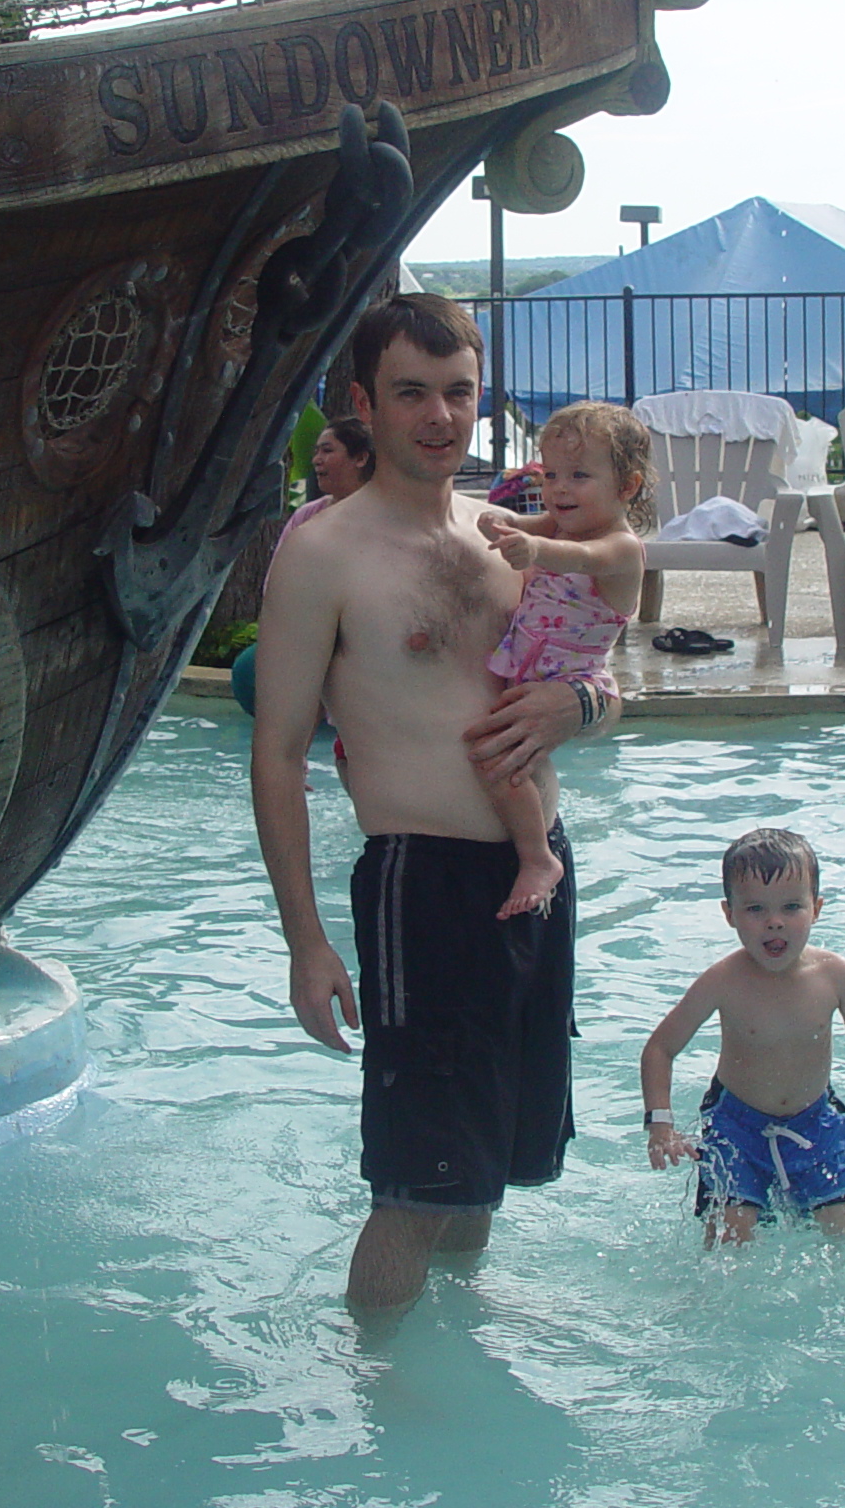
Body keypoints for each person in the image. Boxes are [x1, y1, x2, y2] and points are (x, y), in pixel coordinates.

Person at [250, 293, 613, 1314]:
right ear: (364, 404)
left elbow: (601, 681)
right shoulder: (322, 554)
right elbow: (277, 755)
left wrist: (579, 705)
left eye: (459, 393)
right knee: (415, 1188)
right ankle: (383, 1413)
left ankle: (454, 1384)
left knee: (488, 1166)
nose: (441, 418)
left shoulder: (507, 534)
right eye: (413, 394)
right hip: (425, 888)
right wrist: (305, 943)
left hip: (535, 873)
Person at [641, 828, 845, 1244]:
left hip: (815, 1124)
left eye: (792, 906)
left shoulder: (835, 977)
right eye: (756, 908)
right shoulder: (723, 981)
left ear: (817, 908)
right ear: (729, 913)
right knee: (729, 1239)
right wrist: (660, 1125)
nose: (775, 921)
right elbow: (660, 1048)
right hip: (736, 1127)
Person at [473, 401, 649, 920]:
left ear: (627, 487)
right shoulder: (556, 526)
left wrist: (533, 547)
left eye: (579, 475)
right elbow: (522, 523)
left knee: (497, 757)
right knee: (497, 754)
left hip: (573, 677)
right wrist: (497, 522)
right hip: (532, 668)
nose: (559, 488)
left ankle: (537, 858)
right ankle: (532, 851)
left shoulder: (619, 547)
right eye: (550, 474)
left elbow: (582, 560)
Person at [277, 417, 373, 551]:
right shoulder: (306, 516)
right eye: (316, 452)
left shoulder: (389, 517)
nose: (316, 460)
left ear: (360, 458)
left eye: (327, 451)